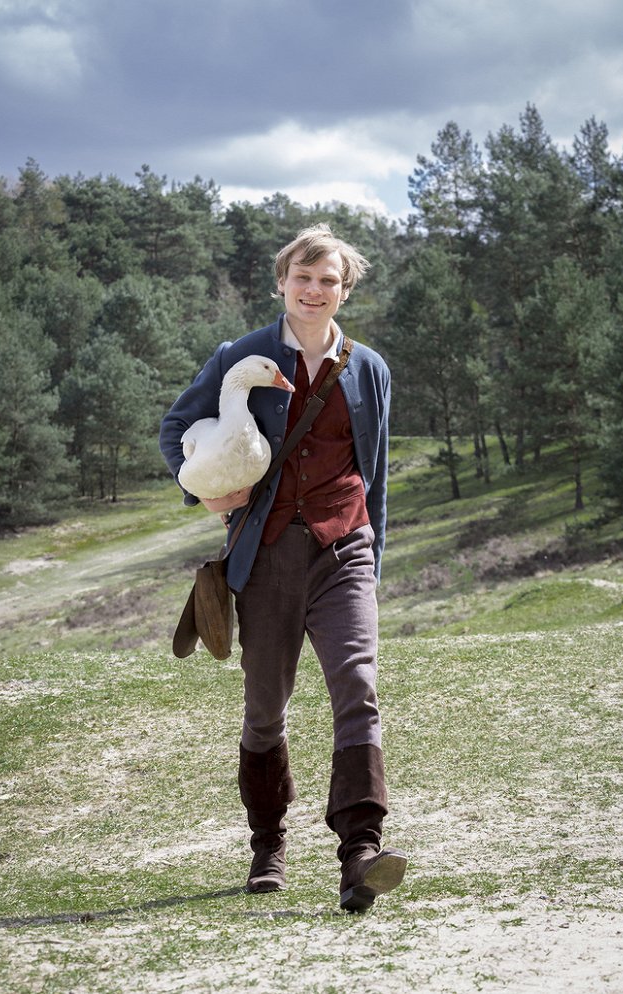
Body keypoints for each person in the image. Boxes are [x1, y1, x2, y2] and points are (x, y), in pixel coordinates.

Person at [159, 223, 407, 912]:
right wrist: (205, 490)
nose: (314, 289)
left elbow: (375, 473)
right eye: (303, 276)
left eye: (329, 280)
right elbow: (174, 426)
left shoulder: (369, 368)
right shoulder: (241, 355)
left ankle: (360, 851)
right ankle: (267, 842)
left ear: (344, 290)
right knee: (264, 707)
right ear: (281, 282)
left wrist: (372, 555)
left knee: (357, 686)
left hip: (343, 548)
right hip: (265, 555)